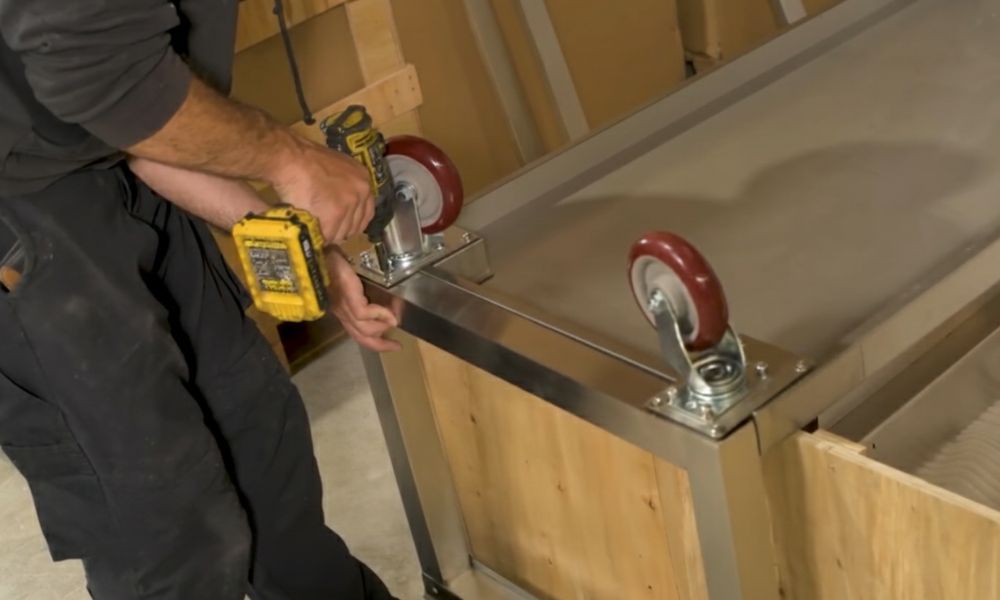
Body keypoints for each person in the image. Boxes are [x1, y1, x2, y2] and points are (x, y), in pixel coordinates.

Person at [0, 1, 403, 598]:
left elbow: (138, 115)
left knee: (261, 453)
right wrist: (293, 161)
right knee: (166, 521)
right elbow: (102, 74)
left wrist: (300, 245)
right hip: (17, 205)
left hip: (100, 152)